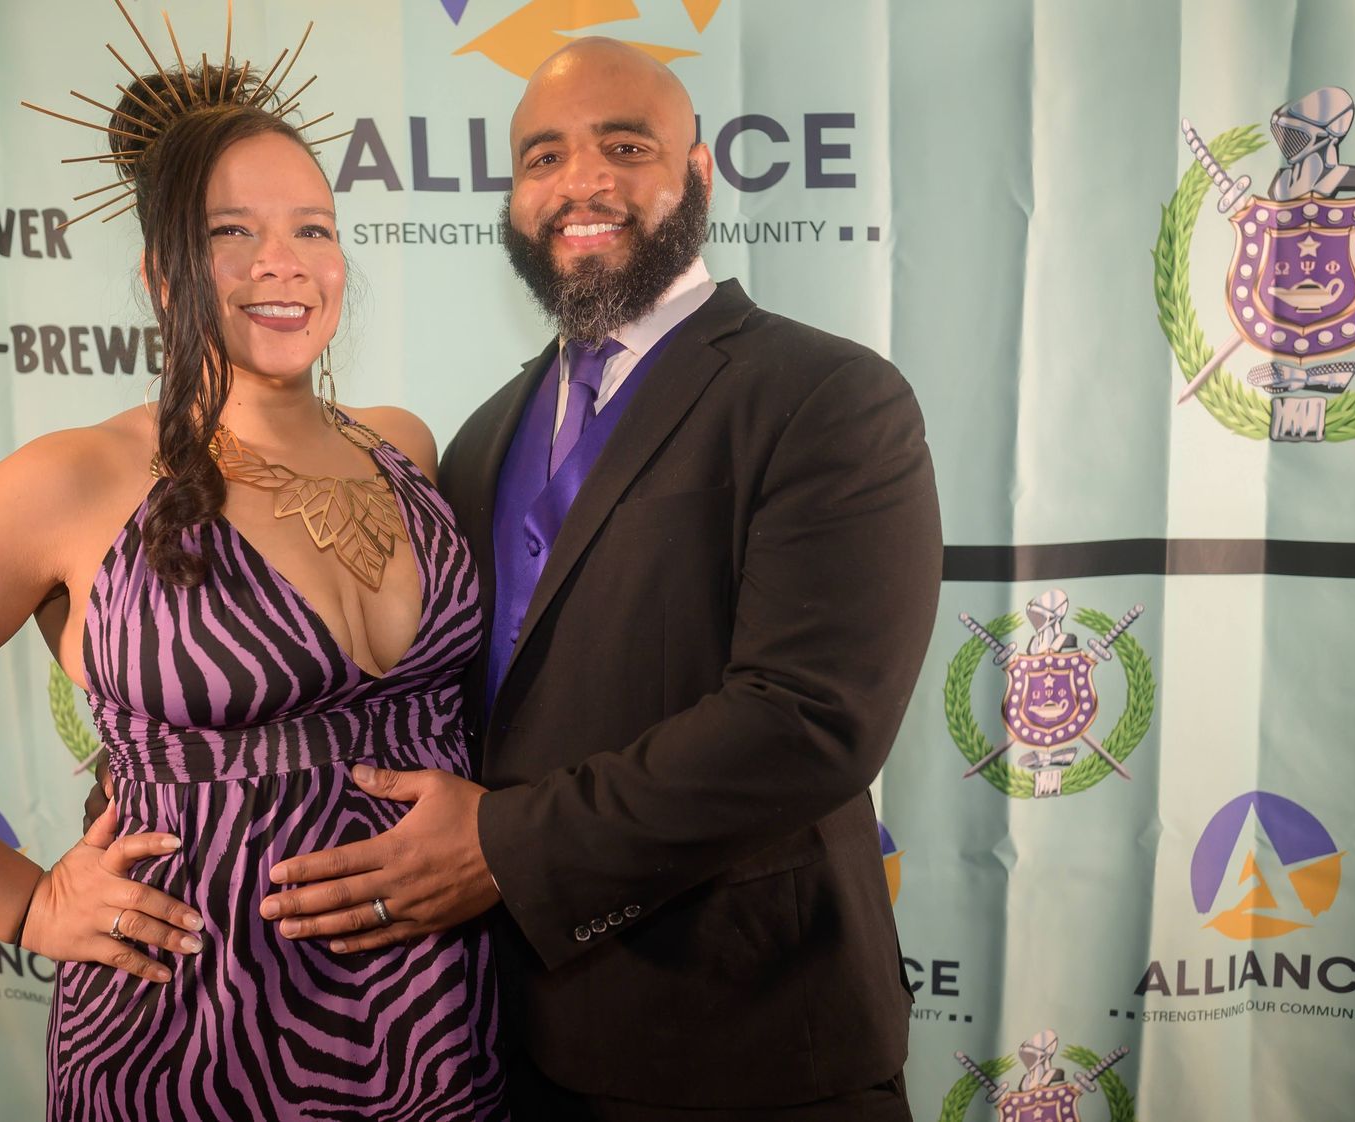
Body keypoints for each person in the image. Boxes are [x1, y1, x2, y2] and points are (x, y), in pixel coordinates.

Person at [0, 40, 505, 1122]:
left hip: (439, 1006)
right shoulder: (77, 480)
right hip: (196, 1026)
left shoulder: (404, 446)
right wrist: (27, 903)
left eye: (312, 229)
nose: (284, 263)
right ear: (161, 271)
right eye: (233, 234)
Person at [255, 38, 942, 1121]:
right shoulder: (483, 436)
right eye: (542, 158)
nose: (580, 182)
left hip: (756, 1045)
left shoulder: (828, 396)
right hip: (504, 1043)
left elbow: (810, 720)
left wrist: (502, 848)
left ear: (701, 174)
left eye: (625, 146)